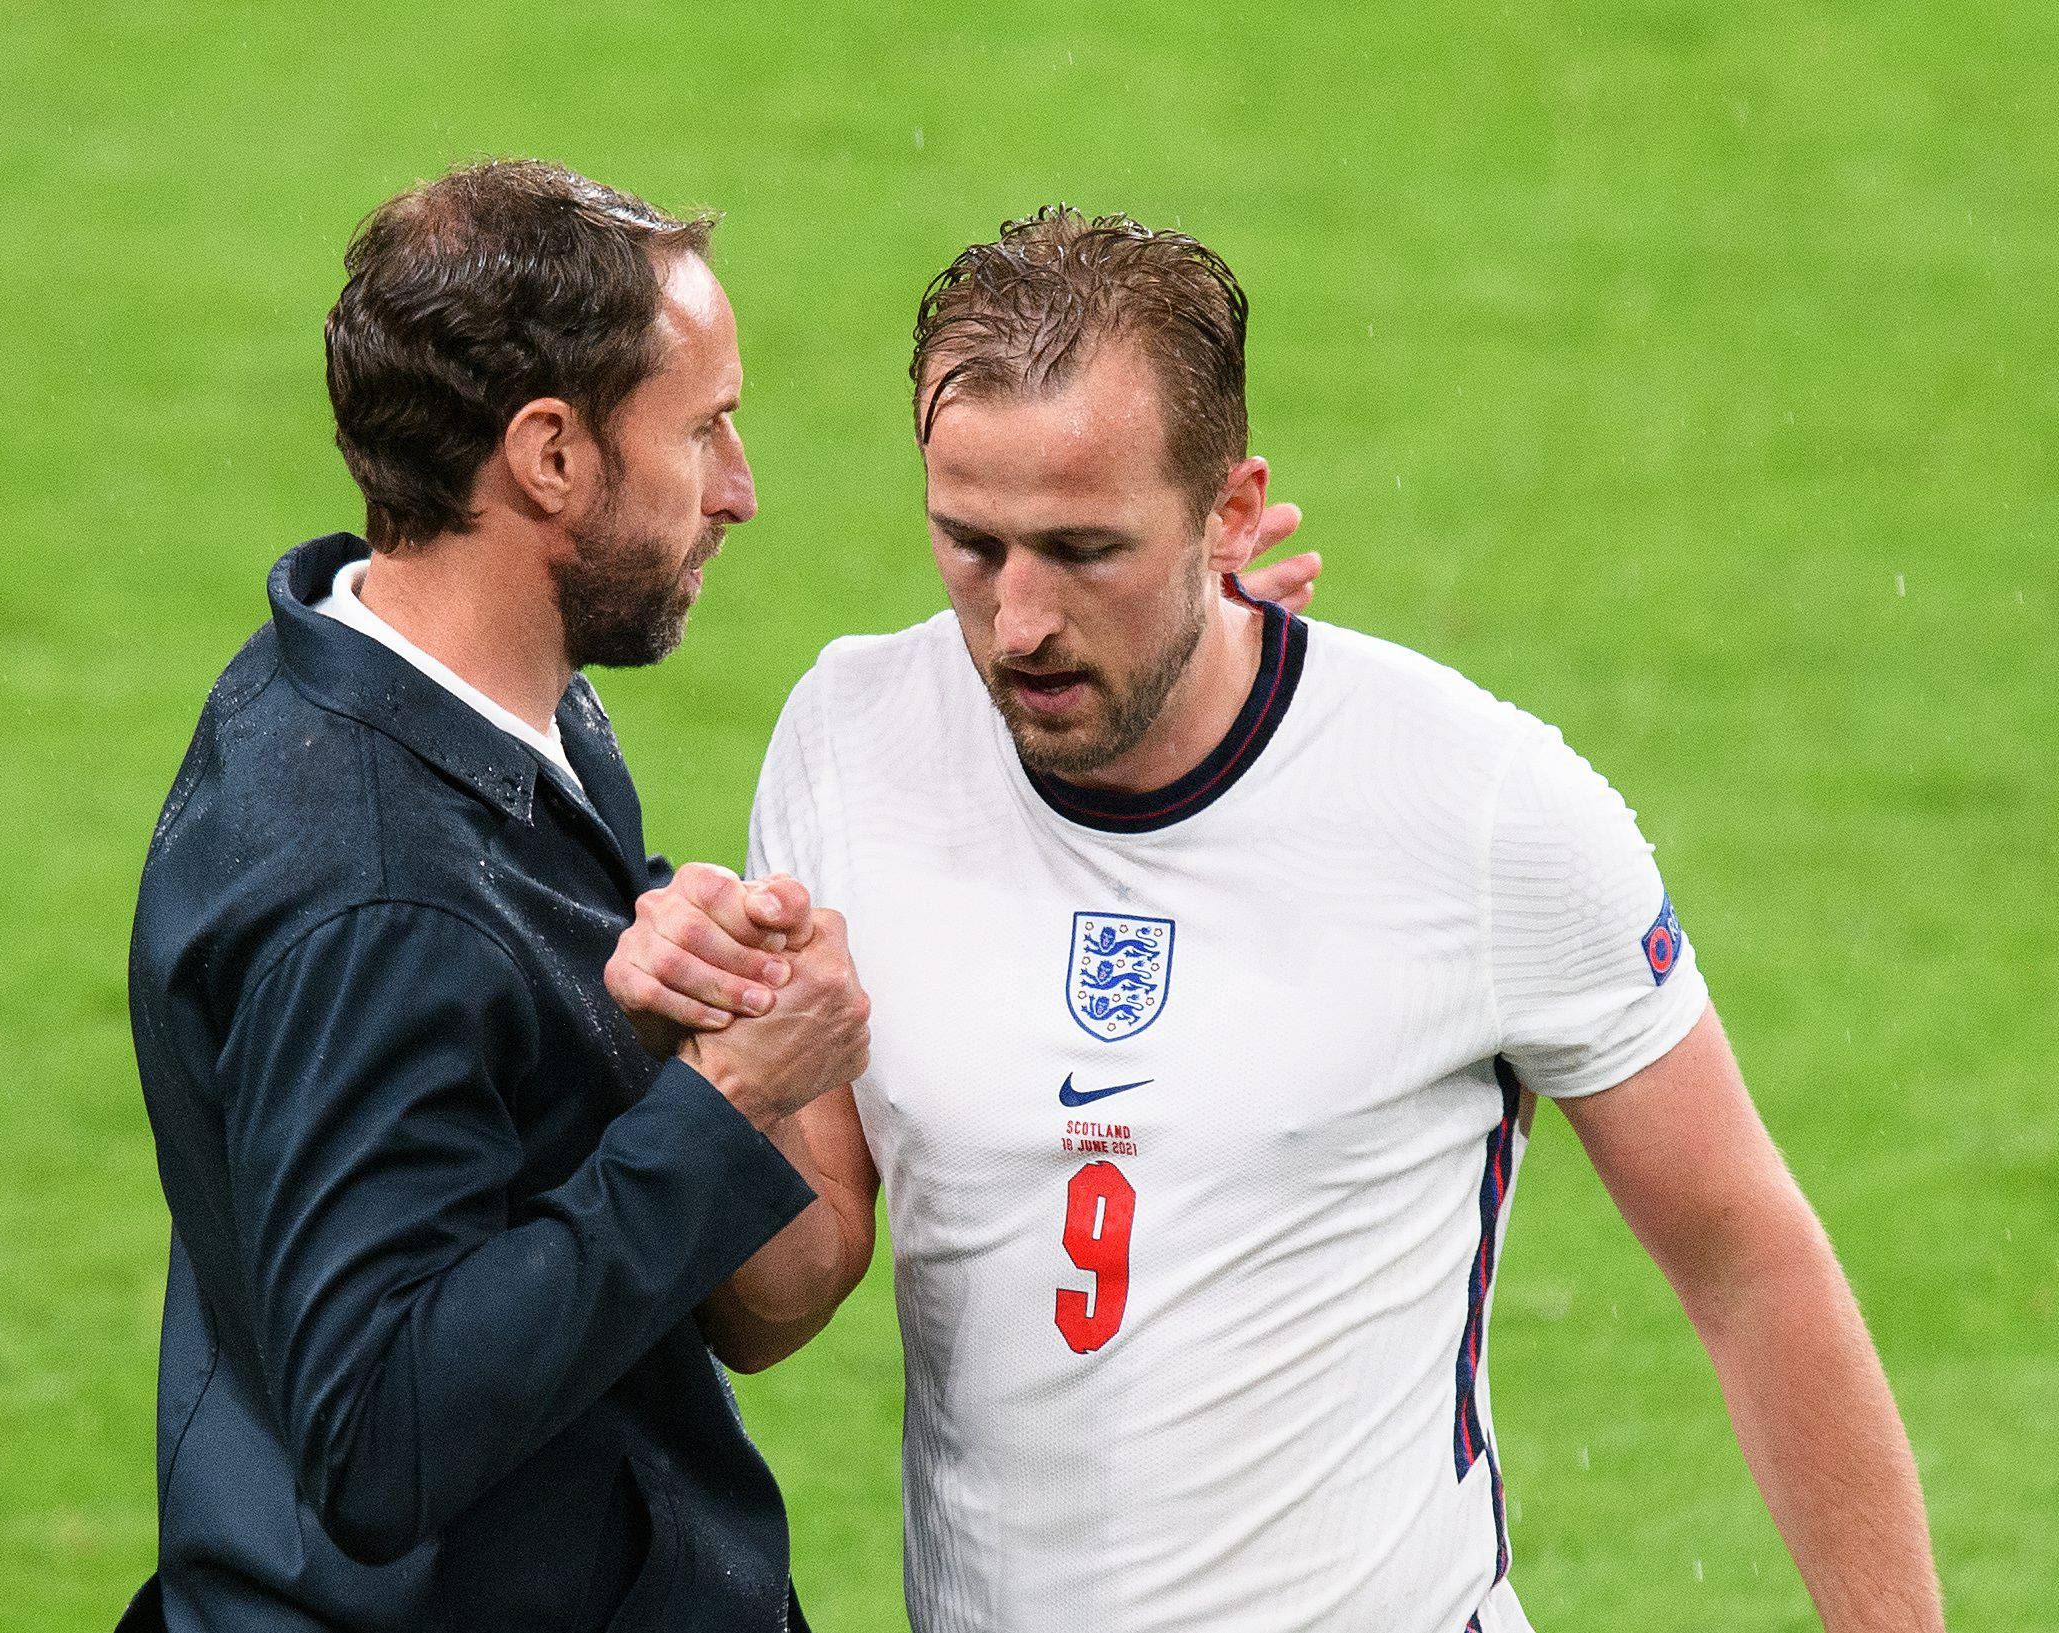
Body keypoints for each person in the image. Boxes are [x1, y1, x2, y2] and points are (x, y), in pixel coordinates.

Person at [606, 208, 1945, 1632]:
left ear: (1232, 514)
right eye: (972, 544)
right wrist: (709, 1077)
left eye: (1086, 549)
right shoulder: (851, 740)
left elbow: (1749, 1261)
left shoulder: (1479, 808)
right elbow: (779, 1301)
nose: (1019, 622)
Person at [121, 159, 889, 1632]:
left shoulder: (458, 705)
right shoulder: (373, 898)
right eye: (704, 427)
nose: (740, 488)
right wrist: (720, 1107)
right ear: (550, 457)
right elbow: (376, 1433)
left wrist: (677, 1002)